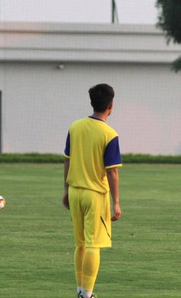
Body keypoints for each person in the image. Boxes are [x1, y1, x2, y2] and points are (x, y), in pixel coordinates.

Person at [63, 84, 122, 298]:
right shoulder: (109, 134)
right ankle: (87, 294)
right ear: (111, 106)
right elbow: (112, 172)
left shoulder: (75, 127)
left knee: (80, 244)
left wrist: (65, 189)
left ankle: (81, 290)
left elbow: (67, 161)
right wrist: (116, 202)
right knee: (93, 245)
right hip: (94, 195)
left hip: (75, 192)